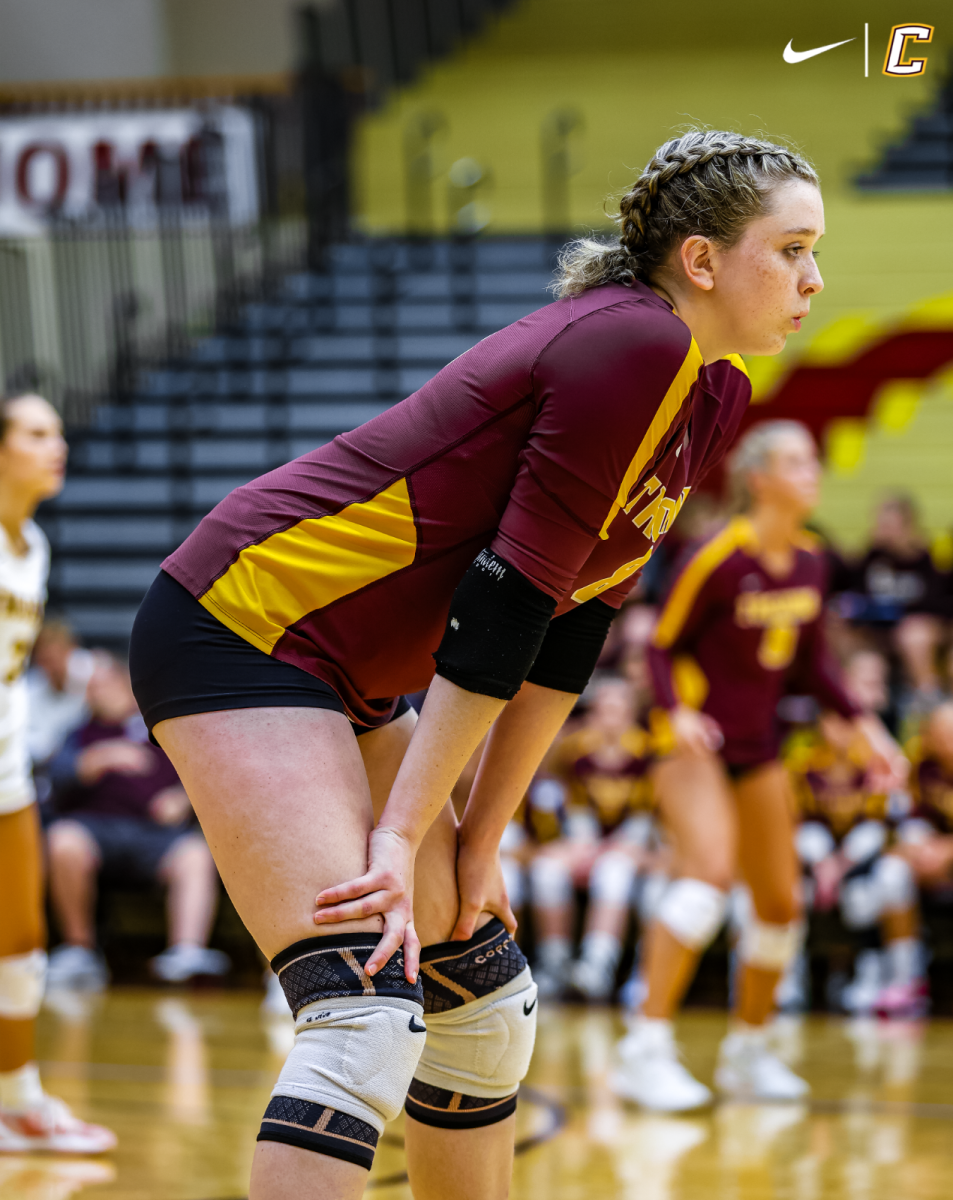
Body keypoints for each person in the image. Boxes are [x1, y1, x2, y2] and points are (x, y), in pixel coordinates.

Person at [128, 130, 825, 1200]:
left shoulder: (710, 389)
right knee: (363, 1011)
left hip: (351, 675)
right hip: (243, 625)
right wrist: (404, 835)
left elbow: (568, 628)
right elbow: (503, 604)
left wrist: (481, 839)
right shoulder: (627, 346)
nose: (810, 280)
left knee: (485, 1008)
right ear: (699, 260)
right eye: (789, 250)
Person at [611, 420, 906, 1113]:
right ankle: (643, 1047)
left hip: (757, 748)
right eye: (797, 462)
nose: (813, 472)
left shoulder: (810, 561)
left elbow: (813, 668)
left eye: (812, 461)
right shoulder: (717, 555)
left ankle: (748, 1051)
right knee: (705, 880)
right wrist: (675, 713)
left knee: (779, 905)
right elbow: (657, 641)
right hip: (691, 745)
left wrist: (871, 734)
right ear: (759, 477)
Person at [0, 392, 115, 1153]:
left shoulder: (32, 544)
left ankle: (18, 1101)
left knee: (23, 939)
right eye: (37, 433)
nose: (57, 445)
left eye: (59, 432)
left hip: (7, 765)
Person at [44, 655, 229, 990]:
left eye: (107, 684)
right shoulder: (79, 732)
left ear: (130, 690)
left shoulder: (161, 727)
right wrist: (95, 760)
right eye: (93, 687)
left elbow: (206, 773)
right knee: (62, 841)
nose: (98, 692)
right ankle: (79, 951)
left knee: (195, 854)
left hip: (154, 834)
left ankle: (187, 953)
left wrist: (182, 799)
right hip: (93, 829)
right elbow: (54, 779)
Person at [786, 708, 924, 1017]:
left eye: (847, 722)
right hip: (815, 863)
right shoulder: (802, 761)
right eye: (832, 721)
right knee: (787, 893)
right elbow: (796, 820)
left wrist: (844, 863)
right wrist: (821, 860)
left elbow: (881, 823)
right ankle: (785, 983)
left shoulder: (874, 762)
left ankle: (888, 980)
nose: (840, 730)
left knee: (874, 891)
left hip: (860, 861)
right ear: (821, 723)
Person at [529, 677, 661, 1001]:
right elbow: (567, 800)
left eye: (617, 709)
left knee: (614, 872)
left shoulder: (650, 751)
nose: (608, 718)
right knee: (547, 872)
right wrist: (580, 843)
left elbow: (650, 811)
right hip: (586, 836)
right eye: (602, 709)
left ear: (631, 713)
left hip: (635, 841)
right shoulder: (574, 750)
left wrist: (632, 846)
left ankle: (597, 966)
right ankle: (554, 963)